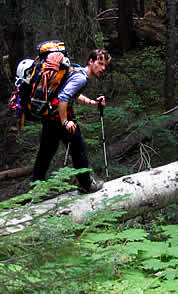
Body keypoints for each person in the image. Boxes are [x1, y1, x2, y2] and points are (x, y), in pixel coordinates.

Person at [32, 49, 111, 193]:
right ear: (91, 62)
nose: (103, 68)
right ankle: (86, 184)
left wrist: (92, 103)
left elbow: (74, 95)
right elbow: (63, 97)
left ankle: (35, 189)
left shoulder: (78, 72)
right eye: (100, 63)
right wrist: (65, 122)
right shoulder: (81, 78)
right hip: (59, 118)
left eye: (105, 65)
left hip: (50, 117)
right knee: (78, 149)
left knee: (46, 153)